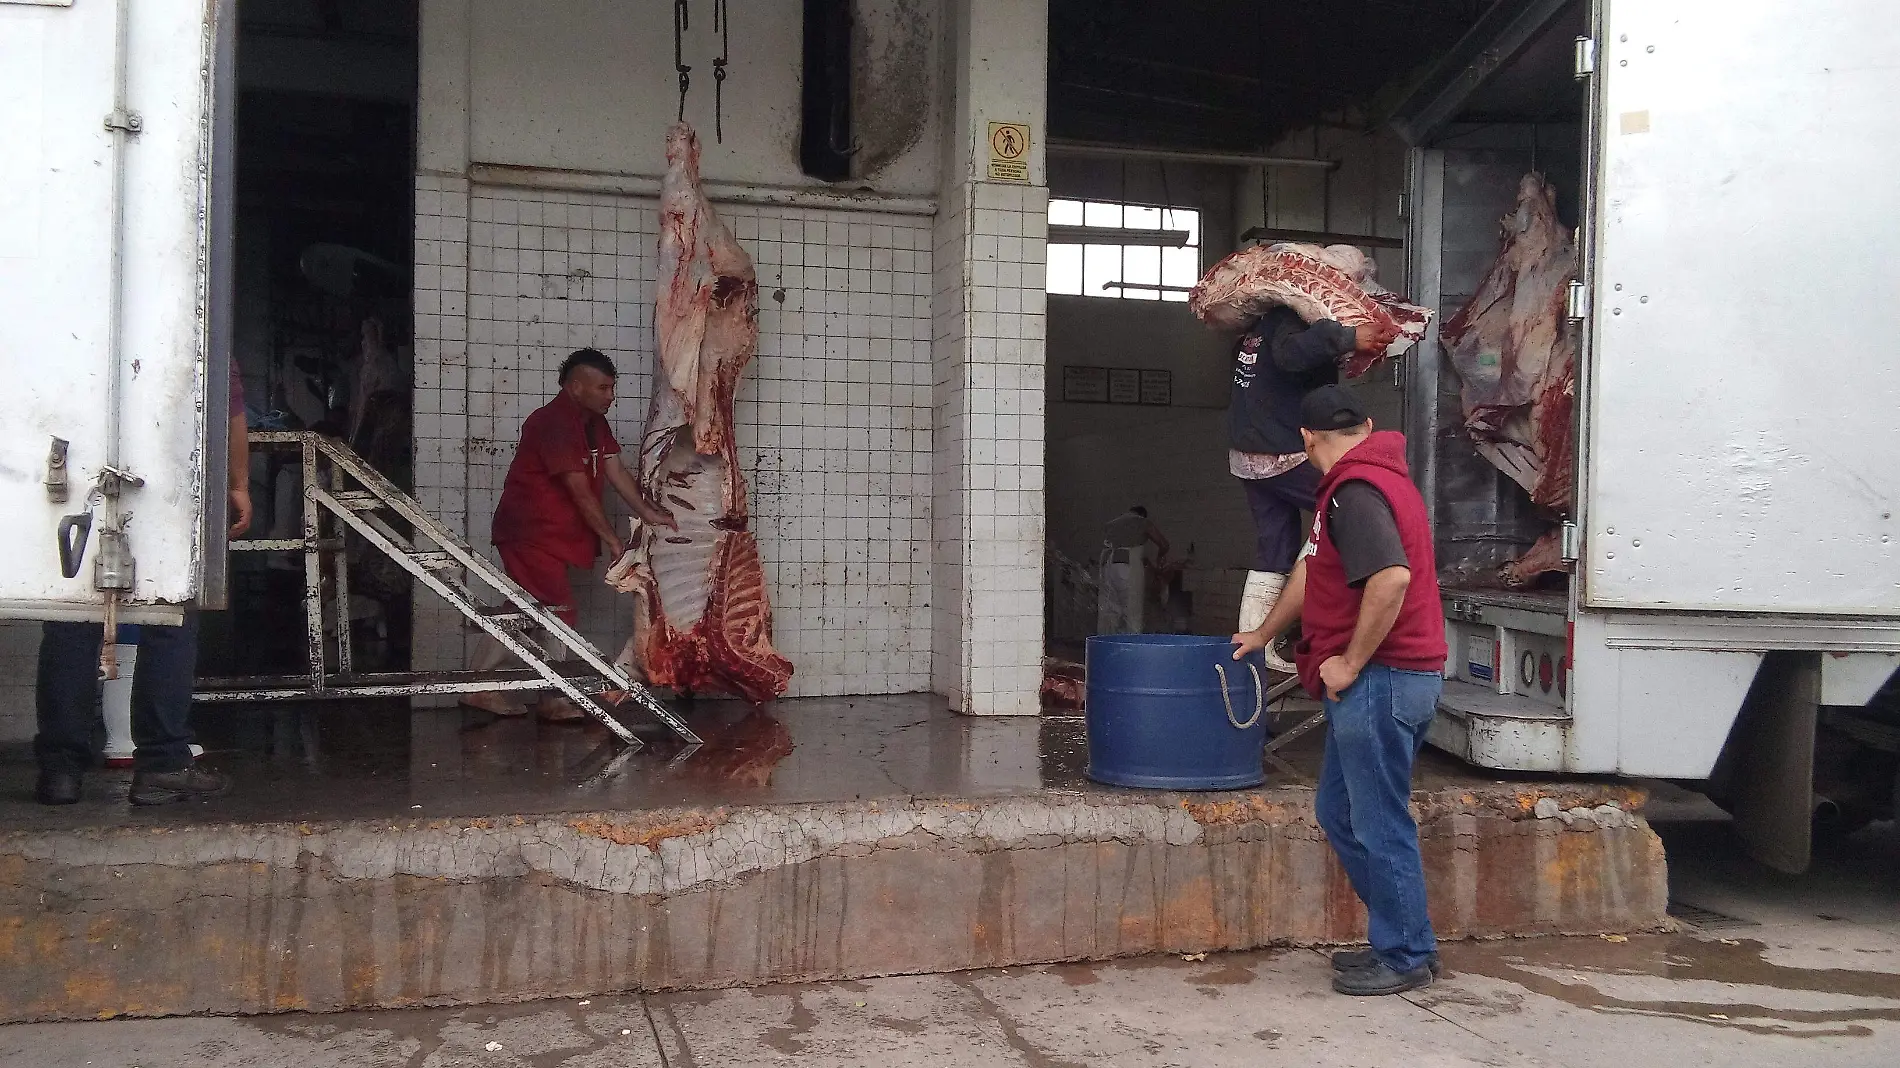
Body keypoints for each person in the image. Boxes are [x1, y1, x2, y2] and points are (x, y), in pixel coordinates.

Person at [1232, 385, 1449, 996]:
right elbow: (1310, 568)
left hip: (1384, 678)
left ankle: (1405, 953)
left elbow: (1390, 579)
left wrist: (1351, 663)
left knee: (1378, 821)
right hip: (1389, 679)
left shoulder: (1356, 492)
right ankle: (1405, 939)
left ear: (1303, 439)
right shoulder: (1357, 486)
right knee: (1340, 812)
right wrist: (1262, 633)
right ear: (1367, 424)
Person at [35, 363, 253, 806]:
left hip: (72, 471)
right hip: (167, 478)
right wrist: (240, 485)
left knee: (70, 617)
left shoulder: (54, 307)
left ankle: (60, 771)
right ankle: (162, 765)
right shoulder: (192, 305)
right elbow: (226, 413)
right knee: (170, 616)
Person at [462, 348, 675, 722]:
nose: (610, 396)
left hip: (550, 533)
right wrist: (612, 539)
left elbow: (617, 474)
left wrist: (651, 513)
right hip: (530, 530)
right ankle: (544, 696)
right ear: (575, 387)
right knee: (556, 609)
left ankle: (486, 686)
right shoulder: (553, 422)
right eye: (602, 388)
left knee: (528, 608)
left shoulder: (595, 424)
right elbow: (578, 489)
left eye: (612, 388)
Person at [1227, 250, 1384, 673]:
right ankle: (1335, 629)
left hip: (1250, 453)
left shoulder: (1263, 325)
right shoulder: (1290, 318)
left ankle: (1252, 649)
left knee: (1273, 548)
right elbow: (1291, 358)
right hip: (1280, 451)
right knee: (1340, 515)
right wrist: (1349, 338)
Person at [1097, 506, 1172, 635]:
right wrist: (1160, 556)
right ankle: (1132, 650)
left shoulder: (1112, 524)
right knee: (1132, 613)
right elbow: (1164, 544)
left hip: (1106, 568)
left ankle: (1108, 648)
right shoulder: (1141, 521)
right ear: (1142, 514)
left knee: (1110, 613)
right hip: (1126, 568)